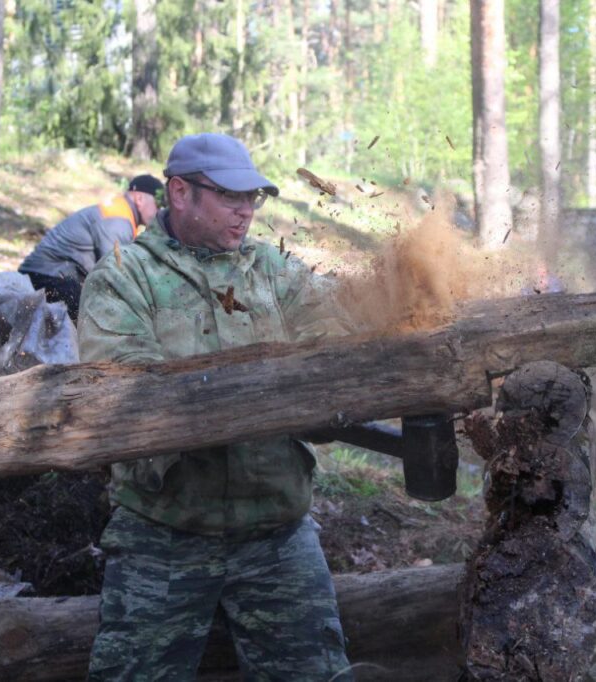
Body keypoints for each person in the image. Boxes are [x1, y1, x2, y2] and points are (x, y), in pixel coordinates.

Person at [77, 133, 354, 680]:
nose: (246, 210)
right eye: (230, 197)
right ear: (179, 193)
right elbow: (129, 398)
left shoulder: (275, 272)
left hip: (276, 531)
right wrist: (268, 390)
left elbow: (338, 352)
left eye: (253, 198)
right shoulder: (124, 279)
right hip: (165, 533)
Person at [18, 174, 164, 321]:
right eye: (158, 205)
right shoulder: (117, 219)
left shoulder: (121, 213)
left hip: (49, 275)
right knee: (97, 319)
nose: (160, 212)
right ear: (139, 199)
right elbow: (116, 273)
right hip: (44, 278)